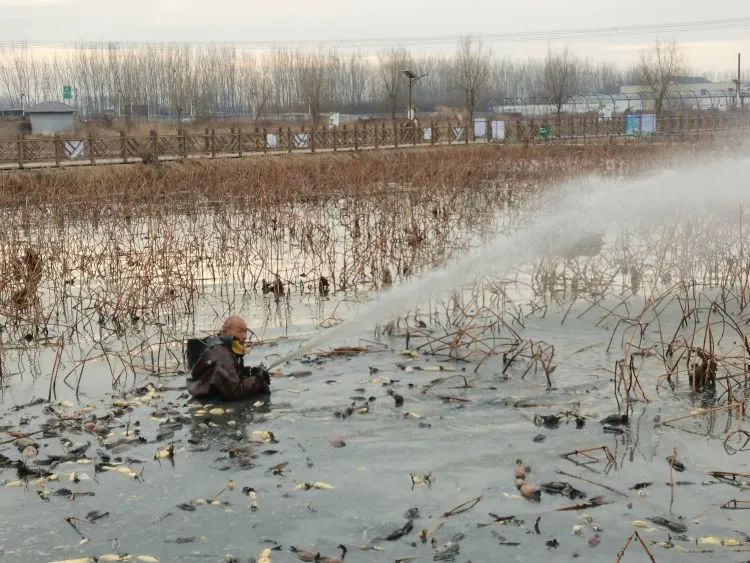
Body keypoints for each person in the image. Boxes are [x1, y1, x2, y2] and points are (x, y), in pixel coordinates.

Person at [188, 316, 270, 402]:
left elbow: (233, 376)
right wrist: (258, 379)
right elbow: (235, 392)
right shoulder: (222, 355)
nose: (245, 336)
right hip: (211, 403)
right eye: (240, 331)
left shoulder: (222, 347)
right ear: (225, 332)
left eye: (245, 331)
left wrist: (250, 373)